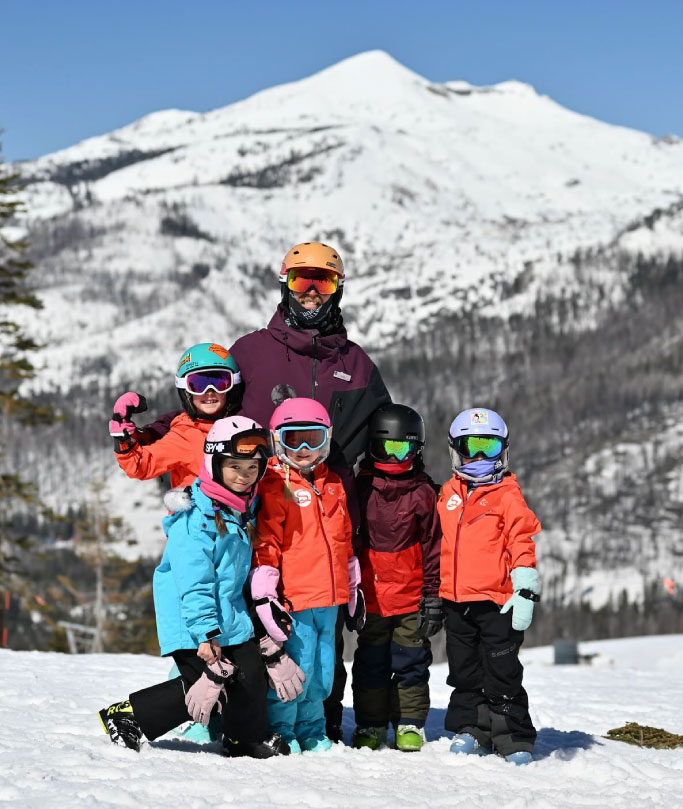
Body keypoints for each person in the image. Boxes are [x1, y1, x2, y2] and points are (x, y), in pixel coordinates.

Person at [142, 243, 392, 740]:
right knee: (227, 609)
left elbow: (380, 445)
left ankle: (314, 721)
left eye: (324, 281)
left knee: (312, 627)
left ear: (339, 288)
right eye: (302, 280)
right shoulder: (252, 352)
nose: (313, 291)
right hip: (251, 503)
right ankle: (203, 714)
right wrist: (151, 435)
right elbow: (206, 407)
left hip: (318, 514)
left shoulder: (358, 365)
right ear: (284, 284)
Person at [98, 417, 299, 758]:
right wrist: (205, 634)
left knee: (250, 672)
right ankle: (127, 716)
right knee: (209, 682)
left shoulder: (241, 508)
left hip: (229, 613)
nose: (243, 474)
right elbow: (194, 582)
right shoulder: (196, 518)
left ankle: (242, 739)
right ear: (213, 463)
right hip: (193, 617)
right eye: (233, 466)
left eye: (252, 467)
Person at [250, 397, 363, 753]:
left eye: (311, 439)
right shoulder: (274, 483)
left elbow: (343, 541)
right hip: (293, 599)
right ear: (276, 439)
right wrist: (266, 595)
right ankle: (282, 726)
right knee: (296, 667)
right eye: (292, 439)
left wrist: (353, 587)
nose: (302, 449)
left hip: (329, 600)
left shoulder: (333, 485)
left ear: (325, 440)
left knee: (322, 669)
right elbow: (265, 543)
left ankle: (312, 727)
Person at [438, 407, 541, 765]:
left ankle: (513, 736)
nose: (480, 457)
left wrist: (525, 587)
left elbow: (522, 540)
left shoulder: (507, 494)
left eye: (489, 447)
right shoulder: (447, 495)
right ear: (456, 450)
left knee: (502, 671)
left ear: (503, 450)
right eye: (472, 447)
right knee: (464, 672)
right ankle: (472, 727)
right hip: (456, 601)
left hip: (497, 601)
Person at [351, 404, 442, 753]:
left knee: (411, 660)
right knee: (372, 661)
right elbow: (348, 542)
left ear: (415, 449)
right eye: (387, 448)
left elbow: (434, 548)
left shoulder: (423, 494)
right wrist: (349, 589)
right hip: (370, 595)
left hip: (411, 596)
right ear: (373, 446)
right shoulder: (360, 489)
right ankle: (371, 725)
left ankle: (410, 724)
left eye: (402, 449)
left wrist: (433, 596)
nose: (394, 456)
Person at [109, 342, 244, 488]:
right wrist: (123, 439)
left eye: (220, 383)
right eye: (197, 384)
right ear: (186, 391)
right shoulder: (184, 435)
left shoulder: (244, 426)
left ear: (232, 386)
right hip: (198, 510)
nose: (209, 391)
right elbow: (141, 465)